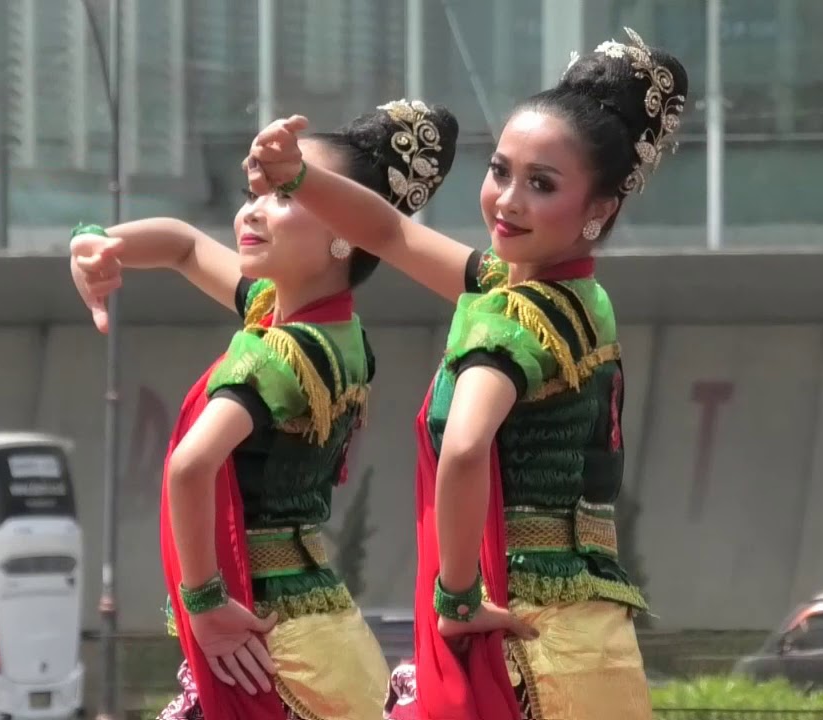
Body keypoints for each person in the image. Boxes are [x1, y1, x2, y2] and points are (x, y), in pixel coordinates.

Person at [244, 28, 687, 720]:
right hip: (586, 635)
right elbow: (390, 233)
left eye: (541, 184)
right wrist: (297, 176)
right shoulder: (574, 297)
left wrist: (455, 597)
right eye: (500, 171)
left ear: (599, 209)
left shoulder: (514, 316)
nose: (507, 201)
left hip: (519, 639)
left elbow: (465, 445)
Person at [69, 101, 460, 720]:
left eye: (284, 195)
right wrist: (97, 243)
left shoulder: (280, 354)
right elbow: (183, 246)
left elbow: (190, 467)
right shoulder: (327, 328)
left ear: (345, 228)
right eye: (253, 194)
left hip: (267, 644)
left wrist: (204, 604)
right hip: (314, 625)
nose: (251, 211)